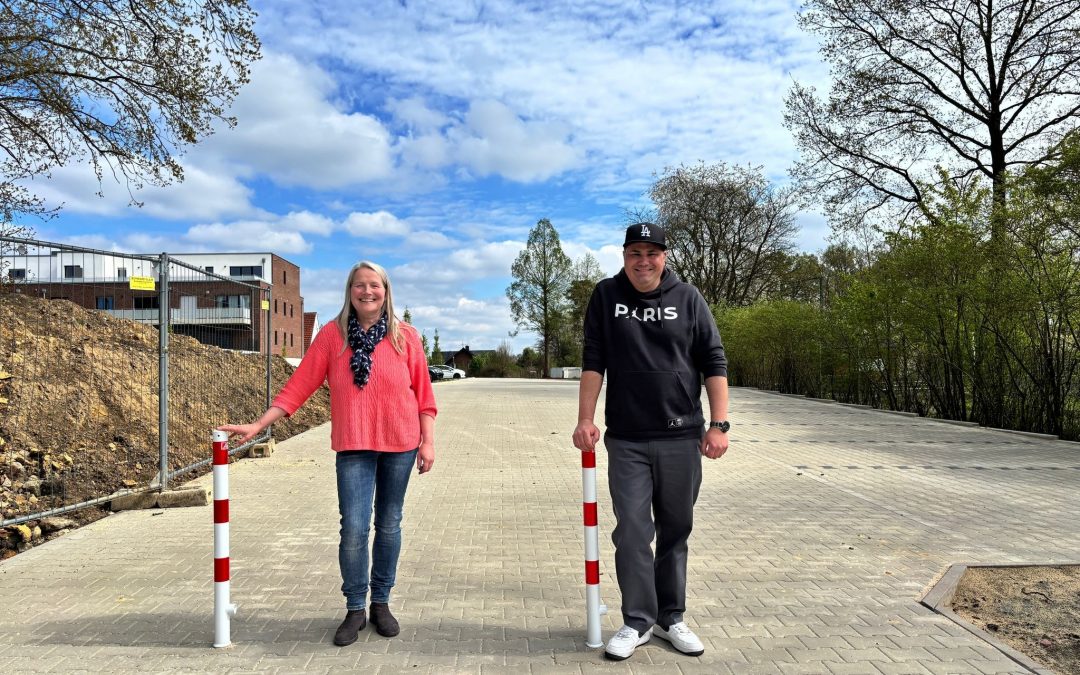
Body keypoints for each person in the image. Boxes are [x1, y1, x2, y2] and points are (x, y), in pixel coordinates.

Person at [218, 261, 436, 648]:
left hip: (401, 446)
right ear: (349, 291)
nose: (367, 292)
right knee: (353, 528)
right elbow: (297, 388)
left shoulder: (407, 337)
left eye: (375, 285)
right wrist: (259, 425)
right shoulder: (332, 337)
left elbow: (424, 396)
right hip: (353, 447)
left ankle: (381, 602)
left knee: (389, 524)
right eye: (359, 286)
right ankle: (355, 607)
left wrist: (428, 441)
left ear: (386, 291)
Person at [572, 222, 730, 661]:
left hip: (681, 437)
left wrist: (720, 424)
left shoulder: (689, 298)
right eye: (634, 253)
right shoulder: (606, 296)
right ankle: (637, 620)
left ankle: (671, 618)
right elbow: (593, 362)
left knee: (676, 530)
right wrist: (585, 419)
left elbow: (714, 361)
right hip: (627, 438)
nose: (643, 261)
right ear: (624, 255)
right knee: (634, 532)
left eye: (652, 253)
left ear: (664, 256)